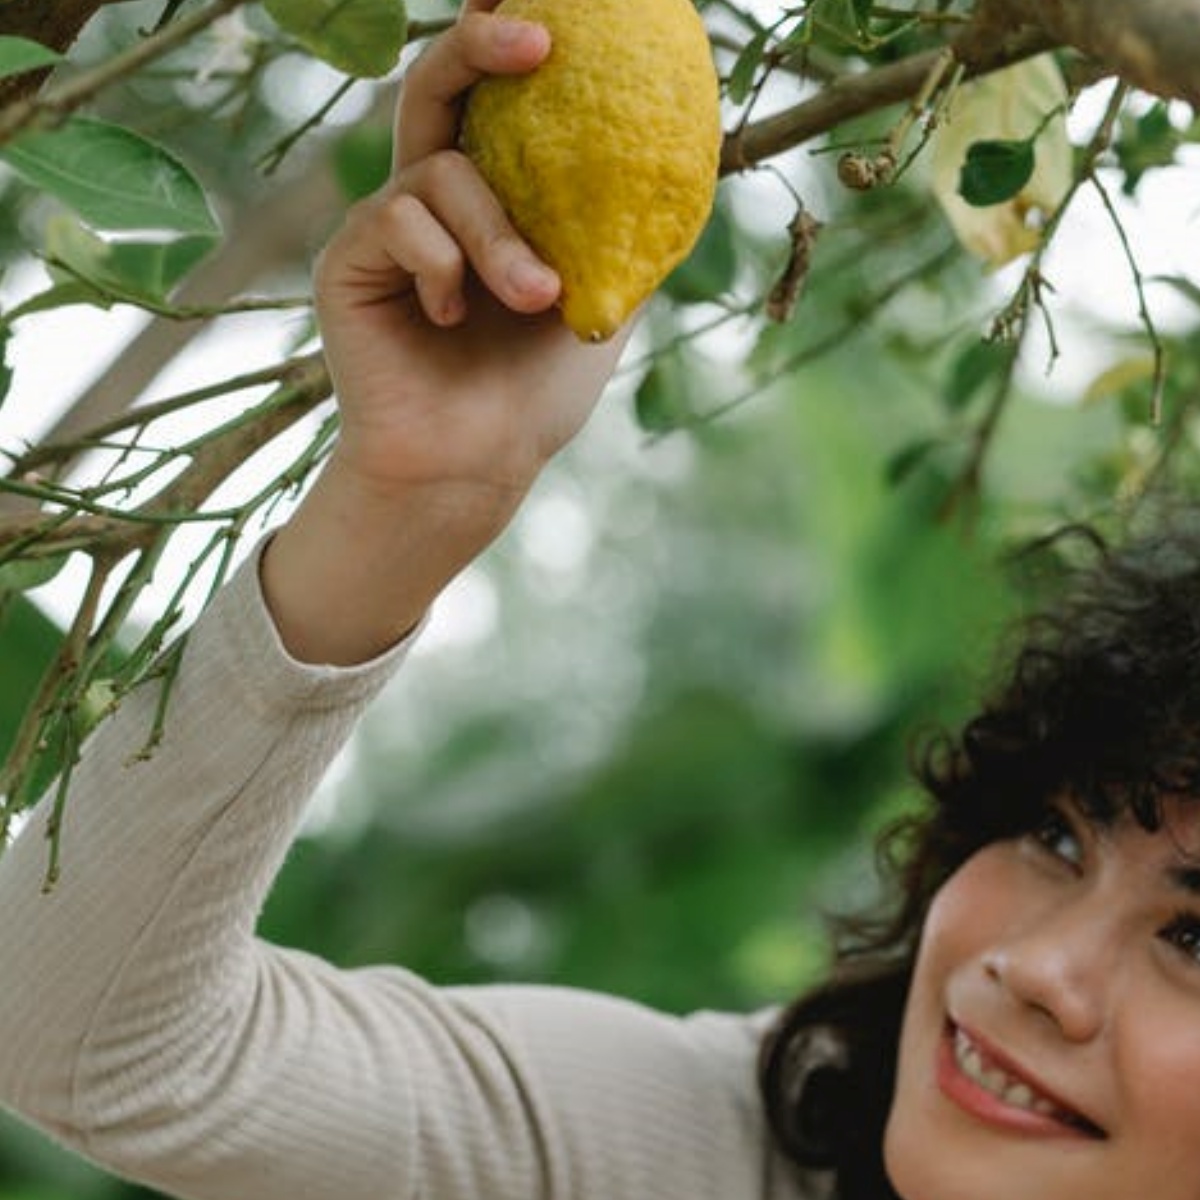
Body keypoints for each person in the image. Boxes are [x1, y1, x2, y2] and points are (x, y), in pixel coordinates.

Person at [2, 5, 1200, 1200]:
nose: (1037, 967)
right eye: (1054, 836)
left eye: (1193, 941)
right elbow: (82, 1039)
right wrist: (408, 501)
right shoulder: (717, 1147)